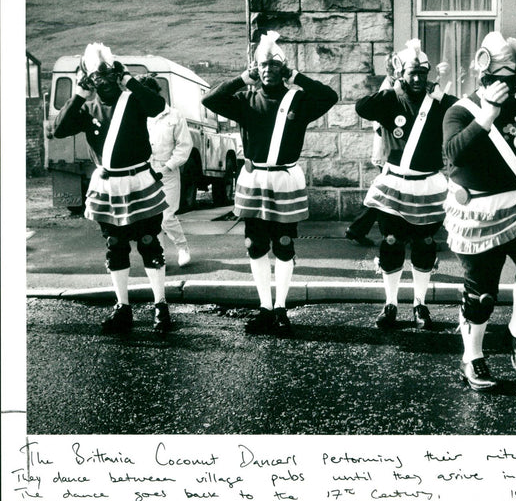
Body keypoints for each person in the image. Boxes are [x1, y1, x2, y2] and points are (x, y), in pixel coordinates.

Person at [443, 31, 516, 392]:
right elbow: (453, 155)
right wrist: (486, 118)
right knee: (481, 296)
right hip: (476, 212)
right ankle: (472, 358)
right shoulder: (459, 111)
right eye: (503, 80)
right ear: (485, 78)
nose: (511, 86)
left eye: (515, 79)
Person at [202, 31, 338, 335]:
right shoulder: (245, 99)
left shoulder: (299, 100)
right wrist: (241, 79)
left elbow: (330, 96)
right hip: (255, 179)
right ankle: (265, 307)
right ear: (255, 68)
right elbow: (209, 98)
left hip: (284, 179)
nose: (267, 71)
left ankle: (281, 308)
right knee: (255, 245)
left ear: (283, 68)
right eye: (262, 66)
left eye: (274, 66)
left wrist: (296, 76)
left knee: (285, 245)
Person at [53, 43, 171, 334]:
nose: (102, 81)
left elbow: (158, 107)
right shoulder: (87, 108)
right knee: (115, 246)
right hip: (108, 185)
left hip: (138, 182)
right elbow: (58, 129)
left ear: (115, 72)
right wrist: (79, 95)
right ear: (88, 79)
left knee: (148, 242)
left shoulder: (133, 99)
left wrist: (129, 79)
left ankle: (161, 305)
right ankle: (123, 307)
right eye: (95, 76)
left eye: (107, 73)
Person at [355, 40, 455, 330]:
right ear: (402, 74)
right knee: (391, 244)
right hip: (395, 187)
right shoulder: (390, 100)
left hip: (427, 186)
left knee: (425, 246)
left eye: (422, 74)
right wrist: (391, 85)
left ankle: (420, 305)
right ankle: (390, 305)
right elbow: (363, 107)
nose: (417, 79)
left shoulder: (437, 103)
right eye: (412, 73)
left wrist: (442, 95)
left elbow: (462, 112)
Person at [140, 75, 193, 267]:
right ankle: (158, 255)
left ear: (156, 94)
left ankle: (182, 247)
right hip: (144, 172)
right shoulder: (137, 114)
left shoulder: (174, 115)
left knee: (166, 216)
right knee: (150, 218)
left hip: (167, 171)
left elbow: (184, 146)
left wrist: (167, 167)